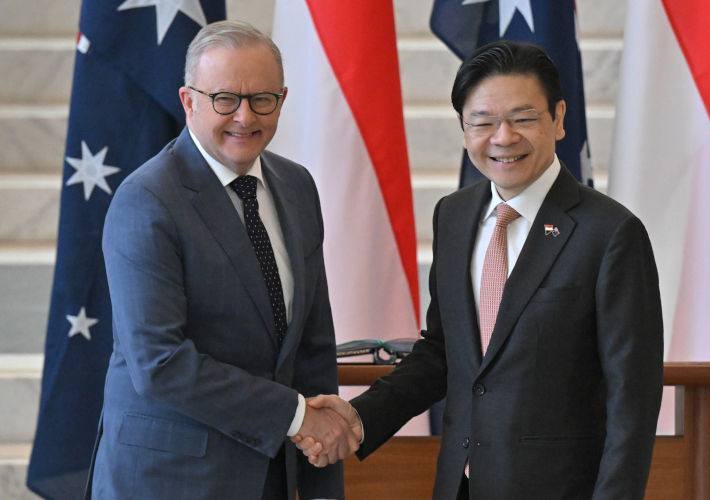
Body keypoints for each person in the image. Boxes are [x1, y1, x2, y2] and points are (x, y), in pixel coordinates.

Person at [295, 41, 663, 499]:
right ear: (463, 128)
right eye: (483, 122)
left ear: (560, 118)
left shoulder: (609, 234)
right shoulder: (454, 216)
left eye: (523, 118)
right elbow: (443, 353)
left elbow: (634, 399)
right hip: (460, 485)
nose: (503, 137)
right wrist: (360, 417)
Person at [86, 20, 357, 500]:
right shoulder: (147, 200)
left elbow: (312, 345)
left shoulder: (296, 187)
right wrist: (296, 417)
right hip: (168, 480)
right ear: (189, 101)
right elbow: (160, 363)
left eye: (262, 99)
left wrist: (321, 479)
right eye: (225, 99)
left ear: (283, 100)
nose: (244, 117)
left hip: (272, 475)